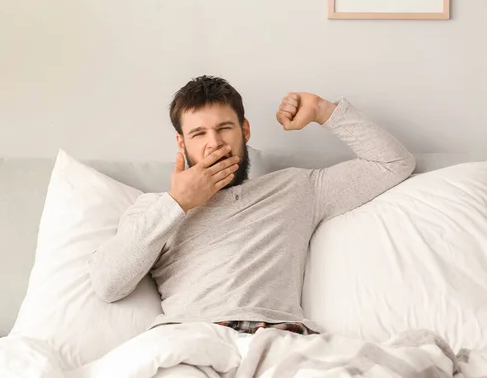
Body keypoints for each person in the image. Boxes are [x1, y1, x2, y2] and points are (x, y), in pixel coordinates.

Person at [89, 75, 415, 335]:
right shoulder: (153, 209)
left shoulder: (296, 188)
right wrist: (178, 203)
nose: (214, 143)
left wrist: (321, 109)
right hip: (192, 340)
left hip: (278, 340)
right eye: (199, 134)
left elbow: (393, 163)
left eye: (224, 128)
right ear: (182, 143)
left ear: (244, 130)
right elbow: (108, 285)